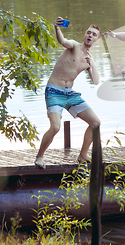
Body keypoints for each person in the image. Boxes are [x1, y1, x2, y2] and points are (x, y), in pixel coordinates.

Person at [35, 17, 102, 169]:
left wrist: (92, 65)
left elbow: (96, 81)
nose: (90, 36)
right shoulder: (74, 46)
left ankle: (83, 156)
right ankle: (40, 156)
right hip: (54, 90)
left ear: (97, 41)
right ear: (84, 35)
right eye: (88, 33)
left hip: (69, 93)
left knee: (96, 123)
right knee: (55, 127)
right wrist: (57, 28)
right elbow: (62, 41)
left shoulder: (89, 59)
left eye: (94, 35)